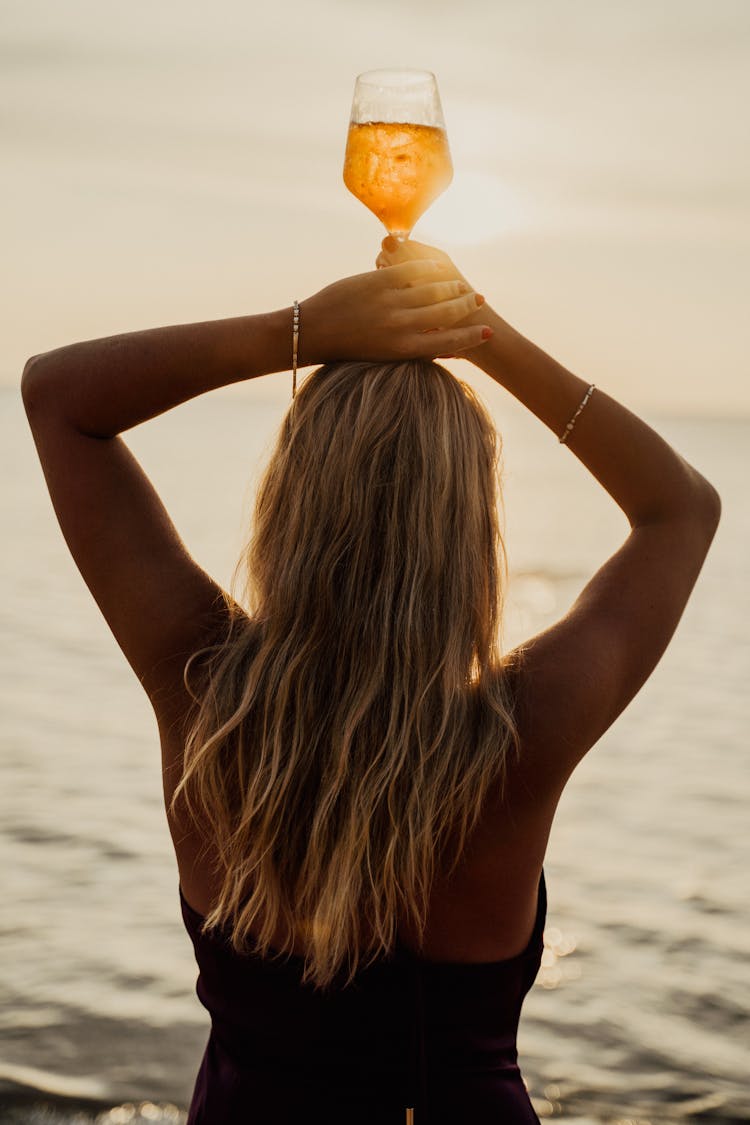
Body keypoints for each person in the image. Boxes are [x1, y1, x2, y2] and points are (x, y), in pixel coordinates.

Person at [22, 236, 720, 1125]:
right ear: (470, 527)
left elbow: (59, 396)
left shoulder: (201, 683)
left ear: (291, 499)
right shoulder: (525, 730)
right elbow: (681, 508)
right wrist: (480, 334)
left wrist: (299, 332)